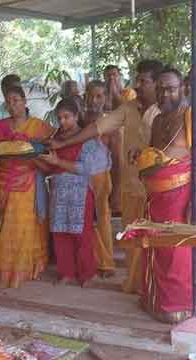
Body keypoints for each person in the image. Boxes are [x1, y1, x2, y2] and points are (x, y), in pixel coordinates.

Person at [51, 59, 164, 294]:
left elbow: (113, 154)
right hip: (132, 185)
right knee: (132, 235)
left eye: (143, 81)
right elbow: (95, 130)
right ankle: (135, 282)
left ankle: (154, 283)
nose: (138, 85)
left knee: (157, 236)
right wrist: (67, 141)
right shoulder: (127, 109)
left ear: (158, 84)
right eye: (137, 80)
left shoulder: (168, 111)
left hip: (160, 184)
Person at [139, 68, 196, 322]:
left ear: (183, 88)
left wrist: (195, 201)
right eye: (161, 89)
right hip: (156, 197)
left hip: (180, 195)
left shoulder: (192, 116)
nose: (165, 94)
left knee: (178, 252)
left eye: (171, 88)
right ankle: (156, 301)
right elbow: (156, 154)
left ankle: (180, 305)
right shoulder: (157, 120)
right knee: (156, 246)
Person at [41, 99, 110, 287]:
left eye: (66, 117)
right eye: (59, 118)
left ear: (76, 116)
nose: (62, 122)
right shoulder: (55, 136)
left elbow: (86, 168)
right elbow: (48, 163)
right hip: (58, 191)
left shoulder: (86, 138)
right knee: (60, 232)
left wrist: (58, 163)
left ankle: (87, 274)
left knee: (82, 233)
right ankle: (66, 273)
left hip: (79, 192)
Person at [0, 86, 52, 288]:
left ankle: (27, 269)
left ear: (25, 101)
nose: (12, 104)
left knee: (28, 226)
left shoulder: (39, 127)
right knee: (6, 225)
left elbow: (49, 150)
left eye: (16, 99)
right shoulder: (0, 126)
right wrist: (13, 147)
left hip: (30, 180)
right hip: (6, 182)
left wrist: (30, 147)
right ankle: (7, 272)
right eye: (8, 101)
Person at [84, 80, 119, 278]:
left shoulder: (110, 123)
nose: (94, 100)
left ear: (105, 98)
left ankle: (106, 263)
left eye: (99, 96)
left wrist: (116, 188)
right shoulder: (79, 119)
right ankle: (89, 259)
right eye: (90, 95)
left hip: (101, 176)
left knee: (102, 219)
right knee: (85, 219)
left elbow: (117, 158)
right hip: (80, 176)